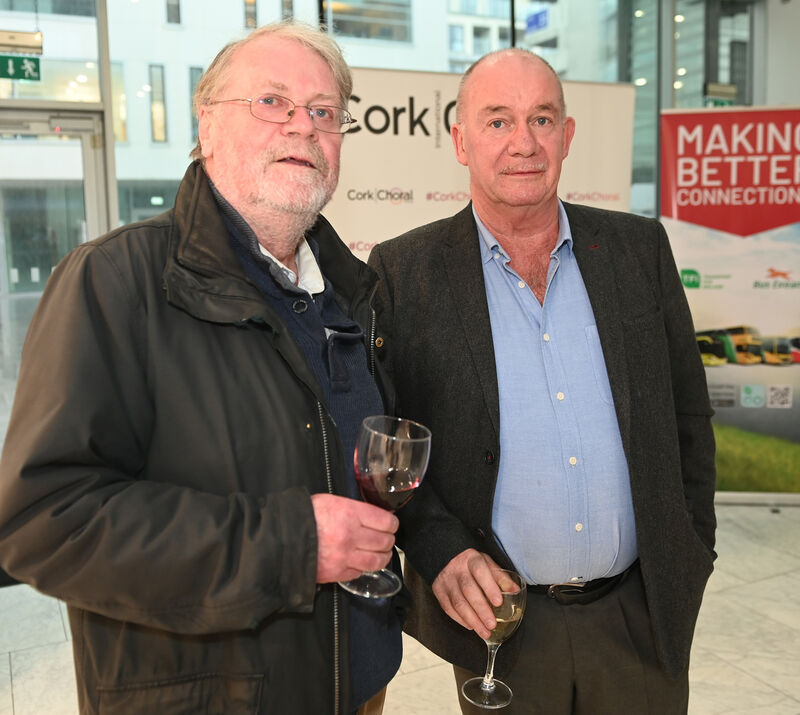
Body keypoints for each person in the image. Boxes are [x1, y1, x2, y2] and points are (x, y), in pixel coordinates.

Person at [0, 21, 405, 715]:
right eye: (273, 102)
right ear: (207, 123)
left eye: (324, 112)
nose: (303, 128)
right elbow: (43, 520)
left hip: (359, 685)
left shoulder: (348, 293)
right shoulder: (115, 280)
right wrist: (292, 544)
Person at [368, 48, 717, 714]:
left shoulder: (639, 249)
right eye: (498, 121)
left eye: (542, 119)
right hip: (502, 628)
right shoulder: (403, 273)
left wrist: (691, 548)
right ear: (460, 141)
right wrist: (440, 551)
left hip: (640, 619)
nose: (523, 142)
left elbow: (688, 419)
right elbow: (392, 444)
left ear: (567, 135)